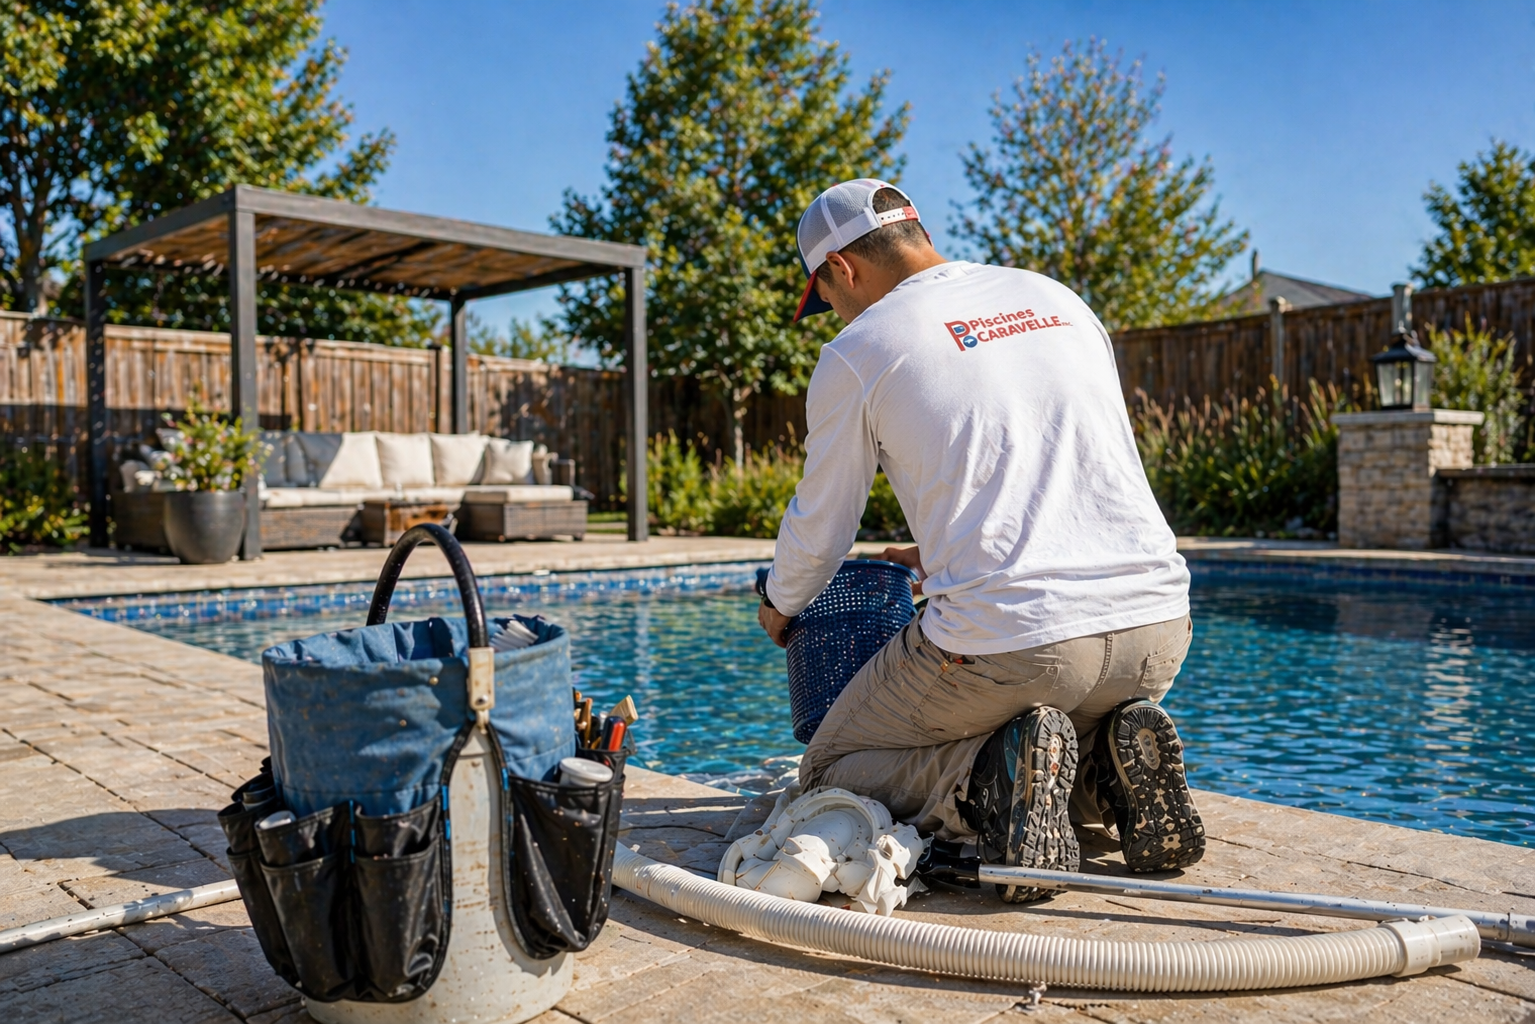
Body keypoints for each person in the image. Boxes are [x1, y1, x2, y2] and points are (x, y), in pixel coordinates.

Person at [757, 178, 1204, 901]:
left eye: (824, 298)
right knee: (1051, 724)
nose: (829, 315)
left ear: (840, 268)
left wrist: (780, 602)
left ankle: (982, 784)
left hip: (1016, 645)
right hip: (1156, 629)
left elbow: (823, 521)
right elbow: (1061, 468)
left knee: (828, 767)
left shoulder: (857, 348)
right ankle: (1103, 779)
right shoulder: (1055, 298)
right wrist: (941, 554)